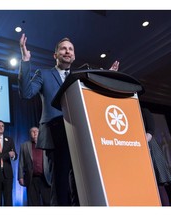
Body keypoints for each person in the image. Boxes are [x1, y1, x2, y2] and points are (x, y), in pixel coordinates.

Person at [18, 33, 119, 206]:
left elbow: (93, 100)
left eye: (70, 49)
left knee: (82, 182)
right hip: (55, 133)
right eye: (63, 48)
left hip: (80, 133)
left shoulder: (80, 78)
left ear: (74, 55)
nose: (67, 51)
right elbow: (26, 92)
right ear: (55, 55)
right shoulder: (43, 74)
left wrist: (105, 80)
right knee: (60, 182)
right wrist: (25, 61)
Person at [141, 107, 171, 206]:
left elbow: (150, 130)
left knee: (159, 184)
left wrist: (142, 142)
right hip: (138, 146)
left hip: (149, 146)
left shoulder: (144, 110)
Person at [18, 126, 51, 206]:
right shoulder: (24, 146)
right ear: (30, 134)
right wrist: (20, 177)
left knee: (48, 202)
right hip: (31, 179)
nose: (35, 133)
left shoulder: (46, 144)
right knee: (33, 203)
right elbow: (21, 162)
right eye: (32, 131)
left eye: (36, 131)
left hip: (45, 178)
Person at [0, 120, 18, 206]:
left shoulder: (9, 140)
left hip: (7, 174)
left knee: (8, 199)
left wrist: (13, 155)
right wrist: (5, 155)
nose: (1, 127)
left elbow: (15, 155)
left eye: (2, 126)